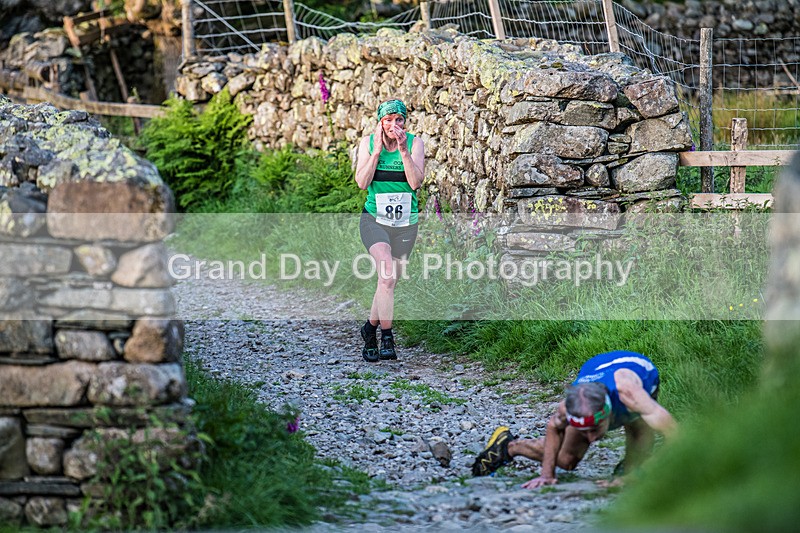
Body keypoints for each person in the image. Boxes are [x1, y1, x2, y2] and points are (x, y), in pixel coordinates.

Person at [471, 350, 677, 487]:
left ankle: (629, 467)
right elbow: (554, 426)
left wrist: (636, 475)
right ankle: (509, 446)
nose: (591, 438)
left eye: (595, 429)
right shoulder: (567, 407)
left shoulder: (631, 395)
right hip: (596, 371)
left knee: (636, 425)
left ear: (608, 414)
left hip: (634, 370)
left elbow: (678, 438)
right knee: (566, 460)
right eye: (584, 431)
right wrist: (547, 474)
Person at [354, 99, 424, 362]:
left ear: (405, 122)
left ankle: (369, 330)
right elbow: (362, 182)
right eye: (388, 120)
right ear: (380, 122)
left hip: (405, 223)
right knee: (386, 277)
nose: (394, 125)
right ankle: (387, 337)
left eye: (399, 120)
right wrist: (376, 153)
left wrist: (404, 151)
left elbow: (416, 182)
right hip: (374, 220)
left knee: (388, 281)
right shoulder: (368, 143)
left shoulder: (415, 143)